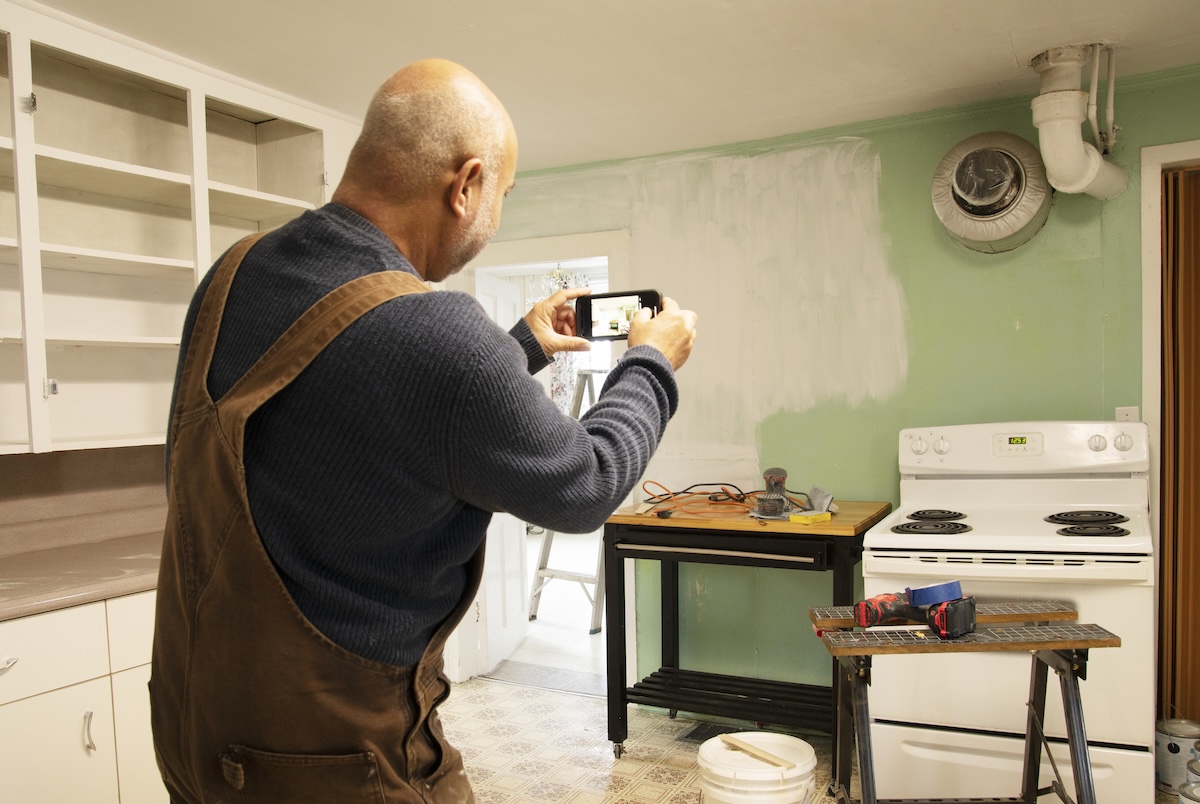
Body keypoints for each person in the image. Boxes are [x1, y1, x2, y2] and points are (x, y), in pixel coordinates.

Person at [149, 58, 697, 803]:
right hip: (336, 768)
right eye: (500, 195)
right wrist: (651, 362)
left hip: (198, 740)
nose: (493, 215)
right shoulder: (440, 335)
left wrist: (521, 345)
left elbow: (374, 411)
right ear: (465, 185)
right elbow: (586, 484)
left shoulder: (231, 274)